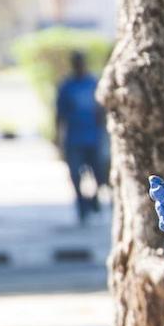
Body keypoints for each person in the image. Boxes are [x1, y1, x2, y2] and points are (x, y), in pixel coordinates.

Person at [55, 52, 107, 224]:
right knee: (76, 176)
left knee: (99, 175)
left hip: (93, 137)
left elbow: (101, 109)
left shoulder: (93, 83)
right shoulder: (67, 86)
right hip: (74, 139)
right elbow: (60, 114)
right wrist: (58, 137)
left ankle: (94, 199)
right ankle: (81, 206)